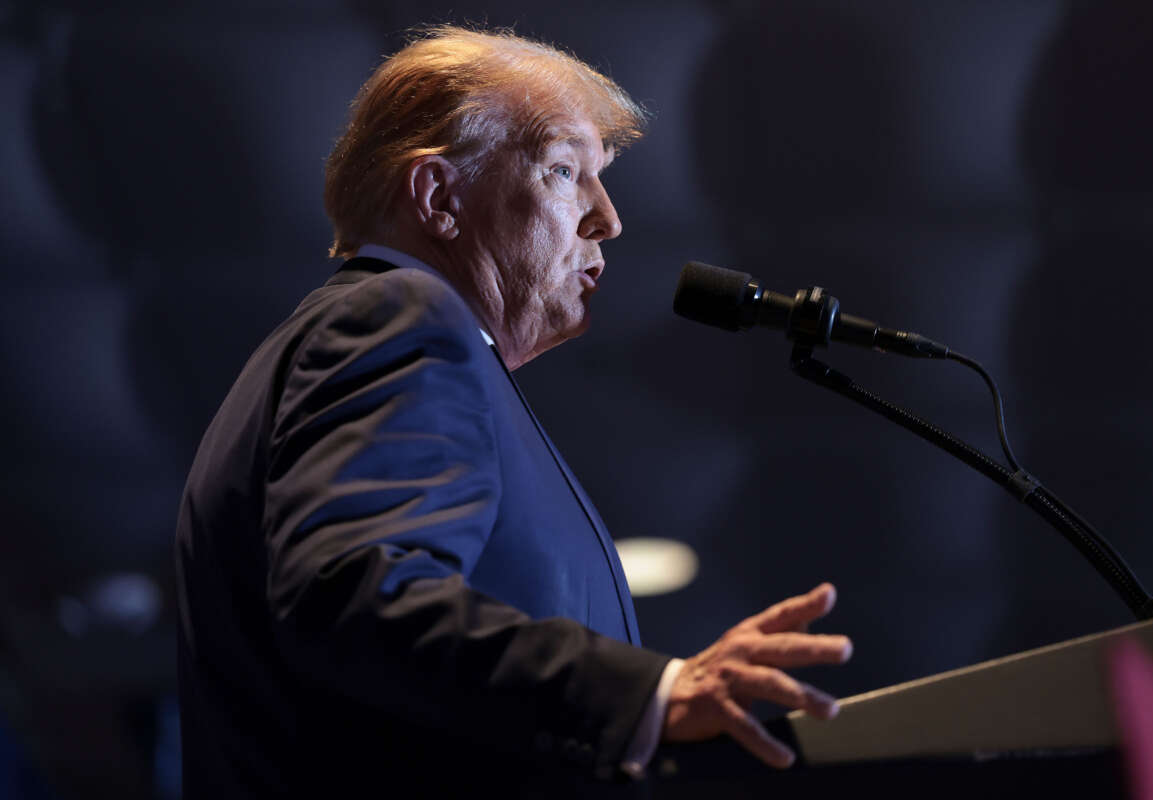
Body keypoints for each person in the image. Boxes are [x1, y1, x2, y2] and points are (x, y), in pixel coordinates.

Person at [174, 25, 852, 796]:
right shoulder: (399, 315)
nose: (608, 219)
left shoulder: (380, 341)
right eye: (566, 170)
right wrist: (651, 695)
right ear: (439, 197)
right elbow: (357, 594)